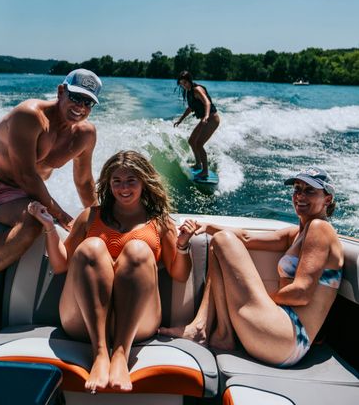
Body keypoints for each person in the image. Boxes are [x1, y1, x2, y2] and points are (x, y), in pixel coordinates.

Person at [28, 150, 196, 393]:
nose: (123, 188)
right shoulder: (90, 216)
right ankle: (100, 353)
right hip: (83, 320)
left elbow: (179, 275)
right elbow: (60, 265)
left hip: (139, 323)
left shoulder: (160, 222)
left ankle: (120, 354)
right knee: (91, 246)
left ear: (144, 182)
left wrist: (183, 245)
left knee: (138, 249)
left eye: (131, 181)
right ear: (108, 183)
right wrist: (48, 227)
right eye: (116, 181)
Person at [160, 167, 344, 367]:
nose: (300, 195)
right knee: (218, 242)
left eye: (310, 191)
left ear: (327, 199)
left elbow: (301, 293)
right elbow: (247, 237)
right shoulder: (297, 233)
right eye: (297, 189)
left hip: (287, 336)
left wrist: (264, 299)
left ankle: (207, 329)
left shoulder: (320, 228)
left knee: (222, 241)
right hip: (283, 339)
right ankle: (219, 333)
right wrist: (207, 227)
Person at [0, 68, 102, 279]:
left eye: (88, 103)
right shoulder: (30, 115)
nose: (80, 107)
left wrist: (99, 222)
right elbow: (26, 175)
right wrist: (61, 215)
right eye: (75, 97)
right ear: (60, 91)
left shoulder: (85, 135)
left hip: (14, 195)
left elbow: (84, 182)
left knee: (33, 223)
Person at [174, 71, 220, 179]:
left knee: (199, 144)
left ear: (189, 80)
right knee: (191, 141)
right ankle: (198, 164)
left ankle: (205, 171)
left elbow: (207, 103)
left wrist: (206, 116)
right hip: (206, 119)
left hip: (212, 119)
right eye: (181, 84)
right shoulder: (189, 91)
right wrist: (180, 120)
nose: (183, 85)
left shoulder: (197, 89)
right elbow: (191, 107)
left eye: (185, 83)